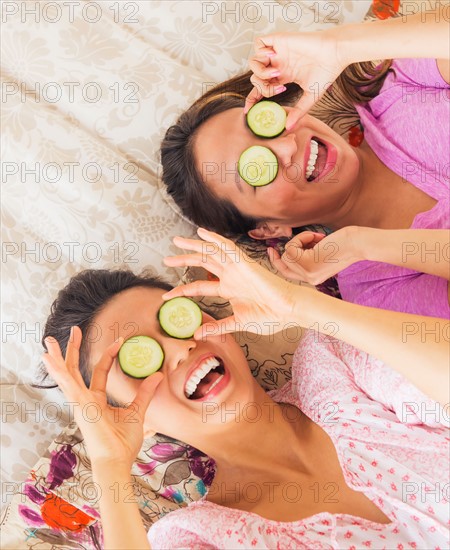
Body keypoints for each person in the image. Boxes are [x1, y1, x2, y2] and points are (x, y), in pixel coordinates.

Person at [42, 228, 449, 549]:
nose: (181, 349)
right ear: (135, 421)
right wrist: (110, 465)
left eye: (175, 319)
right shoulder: (202, 535)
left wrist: (299, 306)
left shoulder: (333, 360)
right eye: (139, 361)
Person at [160, 5, 450, 318]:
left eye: (265, 123)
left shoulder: (401, 88)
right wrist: (361, 244)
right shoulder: (376, 289)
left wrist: (339, 46)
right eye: (256, 170)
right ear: (269, 228)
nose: (286, 146)